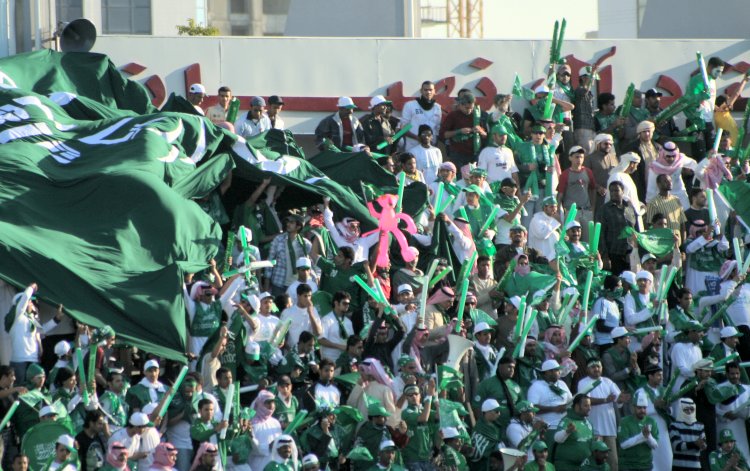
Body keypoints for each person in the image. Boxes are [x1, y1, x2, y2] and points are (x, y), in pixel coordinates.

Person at [597, 181, 638, 275]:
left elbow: (635, 229)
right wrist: (605, 256)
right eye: (611, 191)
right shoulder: (604, 210)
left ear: (623, 191)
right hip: (614, 254)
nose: (614, 193)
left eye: (616, 190)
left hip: (631, 254)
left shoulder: (629, 208)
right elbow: (601, 235)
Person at [440, 92, 488, 170]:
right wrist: (459, 131)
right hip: (458, 154)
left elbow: (486, 136)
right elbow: (443, 134)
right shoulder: (453, 115)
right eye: (466, 108)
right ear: (460, 105)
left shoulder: (478, 115)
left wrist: (480, 131)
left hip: (475, 154)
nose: (469, 110)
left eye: (471, 108)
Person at [552, 394, 594, 471]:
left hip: (583, 467)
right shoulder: (566, 420)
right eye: (586, 406)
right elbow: (557, 438)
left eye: (590, 405)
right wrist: (567, 431)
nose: (589, 408)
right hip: (566, 467)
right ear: (577, 406)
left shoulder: (588, 423)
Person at [400, 81, 443, 150]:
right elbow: (403, 128)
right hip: (412, 146)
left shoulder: (437, 107)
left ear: (434, 91)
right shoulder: (410, 105)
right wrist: (418, 138)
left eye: (430, 90)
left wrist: (435, 143)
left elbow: (437, 128)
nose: (428, 92)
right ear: (421, 91)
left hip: (431, 147)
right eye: (425, 90)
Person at [248, 390, 283, 471]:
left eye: (273, 402)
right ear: (260, 404)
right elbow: (250, 449)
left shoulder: (275, 422)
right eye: (268, 402)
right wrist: (268, 446)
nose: (271, 405)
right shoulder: (251, 425)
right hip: (258, 466)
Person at [669, 397, 706, 471]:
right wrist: (695, 444)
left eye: (691, 409)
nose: (689, 412)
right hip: (678, 467)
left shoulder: (700, 426)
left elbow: (703, 446)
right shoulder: (674, 425)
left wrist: (702, 445)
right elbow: (677, 446)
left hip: (695, 467)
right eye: (686, 409)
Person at [470, 399, 505, 470]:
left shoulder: (496, 425)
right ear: (488, 412)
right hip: (482, 465)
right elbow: (478, 451)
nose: (499, 414)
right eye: (497, 411)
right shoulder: (480, 427)